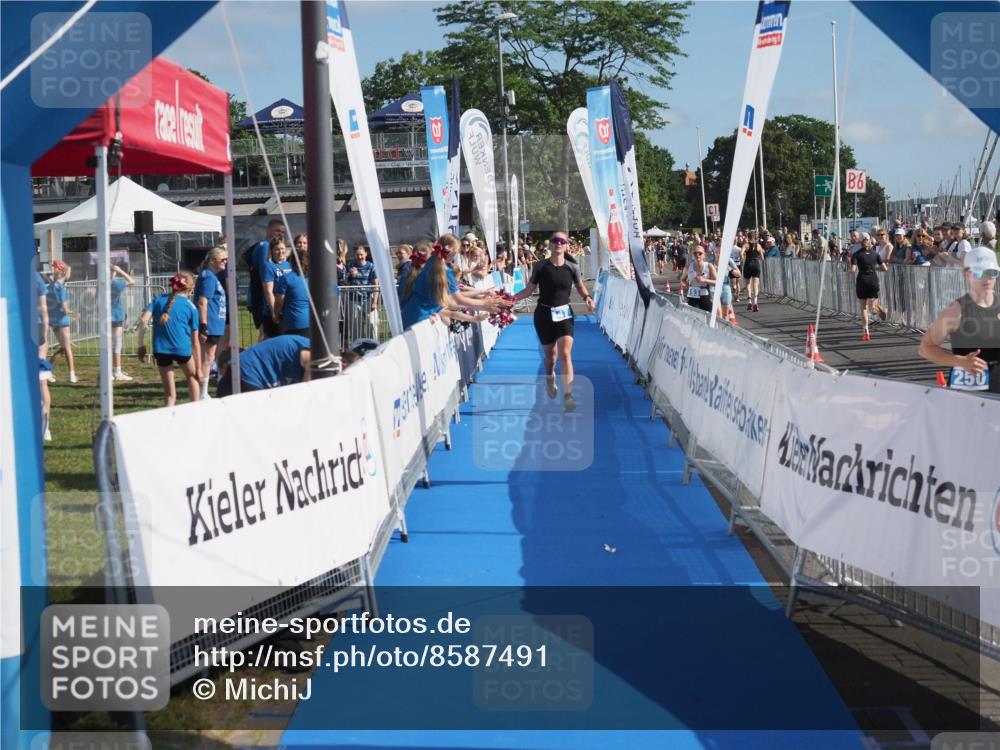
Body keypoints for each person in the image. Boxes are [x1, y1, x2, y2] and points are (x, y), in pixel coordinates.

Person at [511, 232, 595, 412]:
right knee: (551, 358)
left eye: (562, 241)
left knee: (565, 354)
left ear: (566, 246)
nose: (558, 243)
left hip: (564, 314)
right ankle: (550, 377)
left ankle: (568, 395)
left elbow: (580, 286)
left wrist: (587, 297)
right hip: (543, 314)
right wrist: (511, 300)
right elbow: (528, 290)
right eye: (554, 241)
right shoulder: (541, 266)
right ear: (549, 245)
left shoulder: (572, 267)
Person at [918, 247, 999, 393]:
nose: (986, 278)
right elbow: (925, 348)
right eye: (979, 273)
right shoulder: (956, 311)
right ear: (966, 274)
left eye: (991, 273)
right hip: (967, 397)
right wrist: (960, 361)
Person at [400, 234, 503, 329]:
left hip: (411, 316)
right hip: (420, 321)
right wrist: (483, 302)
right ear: (453, 251)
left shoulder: (432, 263)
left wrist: (483, 305)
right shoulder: (445, 271)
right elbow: (458, 300)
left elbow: (449, 302)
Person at [137, 272, 201, 407]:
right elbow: (195, 342)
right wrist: (199, 367)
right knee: (192, 377)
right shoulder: (191, 307)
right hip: (182, 349)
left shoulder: (158, 299)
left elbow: (143, 321)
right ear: (190, 289)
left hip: (161, 349)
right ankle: (196, 409)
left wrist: (141, 345)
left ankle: (168, 418)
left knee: (169, 395)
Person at [217, 334, 311, 396]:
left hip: (239, 368)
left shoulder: (310, 346)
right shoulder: (316, 354)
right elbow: (305, 391)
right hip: (248, 372)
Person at [194, 248, 228, 399]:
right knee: (206, 359)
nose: (225, 262)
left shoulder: (211, 276)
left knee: (208, 358)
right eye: (223, 260)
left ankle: (202, 392)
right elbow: (202, 302)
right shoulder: (209, 277)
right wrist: (204, 325)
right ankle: (201, 393)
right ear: (212, 261)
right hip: (210, 324)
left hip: (215, 322)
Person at [245, 219, 286, 339]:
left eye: (283, 232)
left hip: (267, 298)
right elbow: (265, 274)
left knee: (268, 333)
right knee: (266, 333)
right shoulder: (265, 246)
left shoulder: (272, 248)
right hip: (262, 299)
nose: (280, 234)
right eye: (277, 230)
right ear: (268, 230)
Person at [850, 235, 887, 341]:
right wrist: (875, 269)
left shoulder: (856, 254)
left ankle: (866, 331)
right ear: (870, 242)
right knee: (872, 305)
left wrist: (849, 272)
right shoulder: (875, 254)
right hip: (873, 279)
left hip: (862, 280)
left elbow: (853, 269)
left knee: (863, 307)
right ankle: (879, 310)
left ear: (860, 243)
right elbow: (885, 268)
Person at [46, 260, 77, 383]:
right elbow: (65, 308)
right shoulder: (61, 288)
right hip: (62, 321)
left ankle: (47, 370)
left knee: (64, 348)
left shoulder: (51, 285)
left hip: (53, 321)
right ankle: (72, 375)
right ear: (64, 272)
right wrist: (74, 313)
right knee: (67, 348)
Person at [273, 250, 310, 336]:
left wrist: (276, 315)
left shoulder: (285, 278)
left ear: (292, 261)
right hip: (309, 321)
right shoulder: (311, 279)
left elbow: (279, 302)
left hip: (292, 322)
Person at [110, 263, 136, 381]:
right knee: (117, 345)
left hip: (106, 316)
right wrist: (120, 271)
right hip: (115, 316)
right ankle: (117, 372)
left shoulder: (101, 283)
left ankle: (111, 371)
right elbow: (132, 281)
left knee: (110, 345)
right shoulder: (115, 283)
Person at [684, 245, 717, 313]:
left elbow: (717, 282)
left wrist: (705, 280)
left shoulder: (709, 266)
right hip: (692, 295)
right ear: (692, 255)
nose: (697, 255)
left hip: (705, 295)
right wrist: (686, 283)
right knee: (692, 317)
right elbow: (682, 279)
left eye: (700, 253)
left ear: (704, 255)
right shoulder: (688, 266)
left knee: (706, 318)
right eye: (695, 253)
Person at [741, 239, 763, 312]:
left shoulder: (746, 245)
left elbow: (741, 253)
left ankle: (749, 301)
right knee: (756, 284)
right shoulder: (758, 245)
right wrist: (757, 257)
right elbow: (762, 258)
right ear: (755, 238)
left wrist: (743, 257)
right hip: (756, 264)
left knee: (748, 283)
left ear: (748, 237)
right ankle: (755, 302)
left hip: (748, 263)